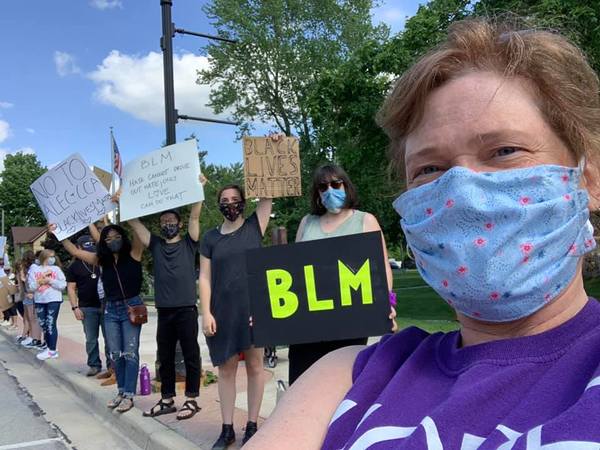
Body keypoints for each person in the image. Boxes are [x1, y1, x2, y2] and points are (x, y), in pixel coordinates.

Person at [246, 18, 600, 449]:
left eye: (504, 151)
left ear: (589, 178)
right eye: (429, 169)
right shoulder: (347, 376)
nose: (462, 190)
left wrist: (382, 302)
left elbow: (375, 268)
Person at [287, 164, 397, 385]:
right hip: (309, 321)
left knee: (342, 382)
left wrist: (385, 302)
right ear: (317, 193)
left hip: (351, 316)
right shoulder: (307, 222)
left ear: (346, 186)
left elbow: (381, 267)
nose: (330, 190)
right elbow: (294, 270)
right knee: (303, 382)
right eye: (323, 186)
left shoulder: (365, 220)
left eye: (336, 184)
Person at [124, 176, 205, 421]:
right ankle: (167, 399)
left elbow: (194, 216)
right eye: (163, 221)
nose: (167, 224)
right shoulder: (156, 244)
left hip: (187, 310)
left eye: (171, 221)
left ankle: (191, 399)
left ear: (179, 224)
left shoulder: (190, 243)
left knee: (191, 354)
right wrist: (123, 202)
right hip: (165, 311)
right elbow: (135, 224)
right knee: (165, 356)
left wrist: (198, 187)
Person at [199, 183, 272, 449]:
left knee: (255, 367)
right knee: (226, 369)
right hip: (223, 311)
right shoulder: (209, 238)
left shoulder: (255, 226)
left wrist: (273, 146)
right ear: (218, 204)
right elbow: (205, 277)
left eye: (235, 199)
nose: (230, 204)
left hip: (254, 309)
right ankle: (227, 429)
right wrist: (205, 312)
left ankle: (252, 425)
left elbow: (268, 194)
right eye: (225, 199)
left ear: (243, 201)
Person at [56, 223, 144, 413]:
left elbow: (139, 233)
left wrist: (131, 215)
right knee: (115, 353)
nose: (113, 241)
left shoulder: (134, 253)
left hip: (131, 307)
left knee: (130, 352)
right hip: (111, 310)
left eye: (117, 237)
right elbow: (74, 251)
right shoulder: (101, 260)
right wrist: (59, 231)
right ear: (103, 242)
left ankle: (129, 394)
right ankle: (121, 391)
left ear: (123, 237)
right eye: (108, 238)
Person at [66, 234, 109, 377]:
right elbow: (71, 288)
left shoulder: (102, 262)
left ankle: (112, 366)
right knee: (91, 339)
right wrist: (75, 308)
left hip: (106, 306)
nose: (90, 248)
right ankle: (94, 364)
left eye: (92, 245)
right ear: (78, 248)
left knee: (110, 338)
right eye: (86, 245)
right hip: (87, 307)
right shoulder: (74, 267)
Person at [27, 249, 66, 360]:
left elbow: (63, 285)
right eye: (50, 256)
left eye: (53, 256)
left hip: (53, 299)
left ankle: (52, 350)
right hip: (40, 299)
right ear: (44, 257)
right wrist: (40, 282)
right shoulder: (34, 269)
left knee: (50, 323)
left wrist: (50, 281)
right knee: (43, 324)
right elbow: (31, 287)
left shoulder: (56, 269)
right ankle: (49, 346)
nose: (52, 259)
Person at [20, 251, 44, 349]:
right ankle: (34, 338)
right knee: (31, 319)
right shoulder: (31, 268)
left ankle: (36, 339)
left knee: (33, 319)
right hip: (29, 294)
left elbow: (30, 282)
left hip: (31, 294)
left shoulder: (33, 268)